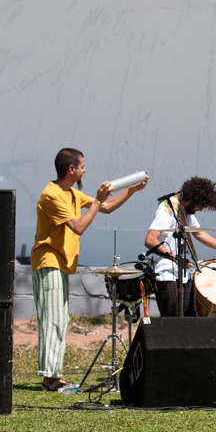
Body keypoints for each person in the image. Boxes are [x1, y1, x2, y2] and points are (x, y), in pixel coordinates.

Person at [32, 148, 148, 391]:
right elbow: (79, 227)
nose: (85, 170)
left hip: (60, 264)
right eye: (82, 166)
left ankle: (52, 376)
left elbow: (104, 208)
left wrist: (131, 190)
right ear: (70, 169)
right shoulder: (52, 195)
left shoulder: (71, 193)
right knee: (52, 321)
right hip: (48, 262)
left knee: (59, 321)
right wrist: (96, 199)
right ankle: (49, 379)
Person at [144, 176, 216, 317]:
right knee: (172, 321)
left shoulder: (184, 210)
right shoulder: (167, 208)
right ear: (192, 198)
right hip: (167, 273)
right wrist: (175, 258)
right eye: (201, 205)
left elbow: (199, 234)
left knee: (189, 320)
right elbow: (150, 240)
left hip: (184, 274)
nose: (201, 209)